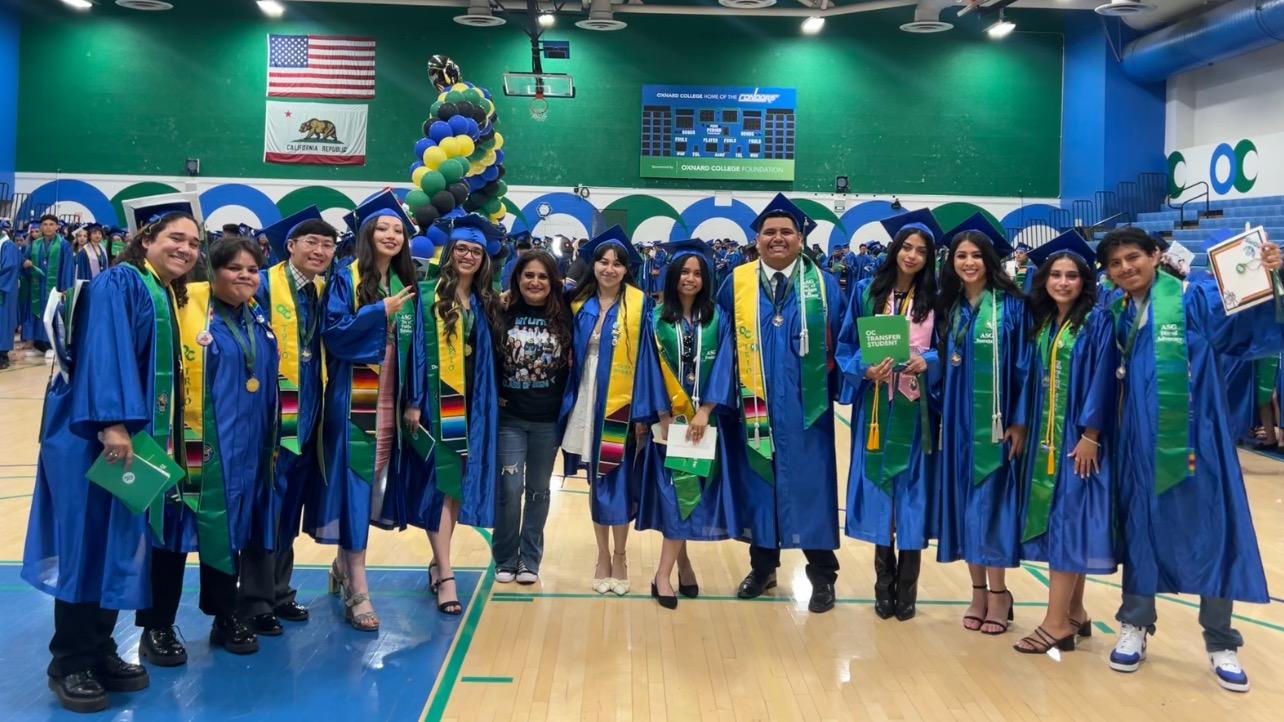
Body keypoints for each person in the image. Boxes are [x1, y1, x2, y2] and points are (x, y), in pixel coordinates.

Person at [21, 199, 201, 712]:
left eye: (192, 243)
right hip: (97, 437)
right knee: (87, 543)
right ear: (146, 239)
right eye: (175, 239)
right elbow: (105, 352)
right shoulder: (119, 283)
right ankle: (69, 660)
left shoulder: (158, 290)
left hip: (128, 439)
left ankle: (100, 647)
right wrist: (113, 423)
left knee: (116, 542)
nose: (186, 249)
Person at [1100, 226, 1282, 692]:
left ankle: (1221, 640)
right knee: (1142, 527)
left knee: (1213, 531)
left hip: (1200, 440)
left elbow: (1244, 329)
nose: (1126, 268)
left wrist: (1268, 278)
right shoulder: (1115, 311)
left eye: (1133, 258)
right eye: (1116, 263)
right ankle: (1136, 624)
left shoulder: (1194, 298)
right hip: (1138, 443)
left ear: (1156, 255)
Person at [132, 234, 280, 664]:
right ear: (212, 272)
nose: (246, 276)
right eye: (235, 268)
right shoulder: (189, 311)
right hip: (193, 444)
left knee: (229, 532)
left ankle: (225, 615)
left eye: (252, 270)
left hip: (244, 449)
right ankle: (156, 625)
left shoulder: (258, 318)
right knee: (174, 533)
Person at [721, 194, 845, 613]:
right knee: (759, 482)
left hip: (806, 409)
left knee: (811, 487)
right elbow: (720, 344)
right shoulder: (735, 282)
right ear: (757, 239)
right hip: (752, 403)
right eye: (769, 232)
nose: (777, 238)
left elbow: (843, 344)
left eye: (786, 232)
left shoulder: (824, 285)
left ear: (800, 237)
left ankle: (822, 577)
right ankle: (763, 567)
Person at [317, 191, 425, 631]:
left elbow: (416, 347)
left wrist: (414, 399)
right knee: (356, 485)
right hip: (355, 399)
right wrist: (378, 312)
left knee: (370, 485)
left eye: (398, 230)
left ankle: (343, 565)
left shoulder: (404, 285)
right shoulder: (347, 278)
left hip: (389, 401)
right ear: (367, 234)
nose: (391, 235)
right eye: (383, 228)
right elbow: (334, 334)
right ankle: (358, 586)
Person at [1012, 232, 1117, 655]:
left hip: (1078, 439)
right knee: (1065, 519)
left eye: (1072, 275)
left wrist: (1091, 433)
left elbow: (1103, 379)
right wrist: (1019, 424)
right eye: (1055, 274)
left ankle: (1055, 624)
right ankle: (1074, 612)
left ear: (1085, 281)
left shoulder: (1096, 321)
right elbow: (1024, 377)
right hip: (1044, 436)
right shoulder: (1045, 320)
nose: (1063, 282)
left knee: (1068, 522)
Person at [835, 209, 941, 621]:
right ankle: (884, 583)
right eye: (907, 247)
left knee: (912, 493)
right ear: (895, 250)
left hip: (916, 409)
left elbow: (948, 350)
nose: (912, 255)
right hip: (876, 406)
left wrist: (928, 360)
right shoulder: (866, 291)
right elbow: (845, 346)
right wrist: (862, 368)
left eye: (921, 250)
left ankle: (908, 588)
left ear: (930, 258)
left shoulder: (936, 299)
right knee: (881, 489)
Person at [236, 207, 337, 636]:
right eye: (310, 242)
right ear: (289, 246)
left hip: (308, 412)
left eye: (328, 245)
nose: (319, 250)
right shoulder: (264, 285)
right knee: (268, 505)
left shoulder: (321, 289)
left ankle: (279, 591)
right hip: (273, 414)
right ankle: (255, 599)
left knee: (289, 505)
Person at [933, 213, 1031, 635]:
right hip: (956, 421)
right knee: (963, 505)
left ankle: (998, 595)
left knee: (990, 507)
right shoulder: (949, 307)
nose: (968, 262)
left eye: (975, 255)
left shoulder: (1012, 307)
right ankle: (976, 591)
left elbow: (1027, 369)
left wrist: (1020, 423)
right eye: (961, 255)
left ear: (989, 260)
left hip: (995, 424)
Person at [560, 226, 664, 596]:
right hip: (586, 398)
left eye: (617, 264)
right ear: (594, 266)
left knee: (618, 480)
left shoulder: (639, 304)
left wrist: (642, 412)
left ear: (626, 270)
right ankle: (601, 555)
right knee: (595, 481)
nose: (609, 269)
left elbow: (650, 361)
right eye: (603, 262)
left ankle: (621, 556)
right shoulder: (576, 303)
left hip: (622, 401)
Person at [634, 239, 737, 609]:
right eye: (684, 272)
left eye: (697, 273)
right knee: (678, 497)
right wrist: (663, 416)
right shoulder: (655, 319)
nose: (690, 278)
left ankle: (684, 563)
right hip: (669, 423)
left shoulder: (718, 320)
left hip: (703, 424)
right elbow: (646, 368)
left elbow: (725, 364)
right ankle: (663, 574)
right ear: (673, 277)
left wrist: (706, 411)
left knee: (688, 496)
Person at [413, 213, 503, 615]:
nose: (468, 256)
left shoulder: (486, 302)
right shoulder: (428, 294)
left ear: (484, 259)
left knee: (454, 489)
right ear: (449, 253)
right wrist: (414, 401)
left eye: (476, 251)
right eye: (462, 249)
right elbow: (415, 352)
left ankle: (438, 562)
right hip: (439, 402)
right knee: (442, 486)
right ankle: (446, 573)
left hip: (474, 405)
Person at [493, 249, 572, 585]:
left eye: (542, 276)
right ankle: (506, 558)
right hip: (510, 417)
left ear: (552, 281)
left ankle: (530, 559)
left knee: (539, 490)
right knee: (510, 490)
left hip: (547, 420)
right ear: (517, 278)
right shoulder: (501, 309)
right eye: (529, 276)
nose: (535, 282)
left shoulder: (566, 312)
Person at [21, 214, 74, 355]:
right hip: (37, 286)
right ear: (40, 227)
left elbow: (68, 267)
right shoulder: (34, 244)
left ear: (57, 227)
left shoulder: (64, 245)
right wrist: (25, 265)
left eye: (51, 224)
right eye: (45, 224)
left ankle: (52, 346)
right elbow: (24, 263)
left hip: (55, 287)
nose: (48, 227)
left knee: (53, 314)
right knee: (37, 312)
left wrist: (65, 288)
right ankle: (37, 343)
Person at [0, 224, 20, 369]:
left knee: (3, 322)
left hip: (3, 291)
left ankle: (2, 355)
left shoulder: (8, 246)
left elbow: (10, 268)